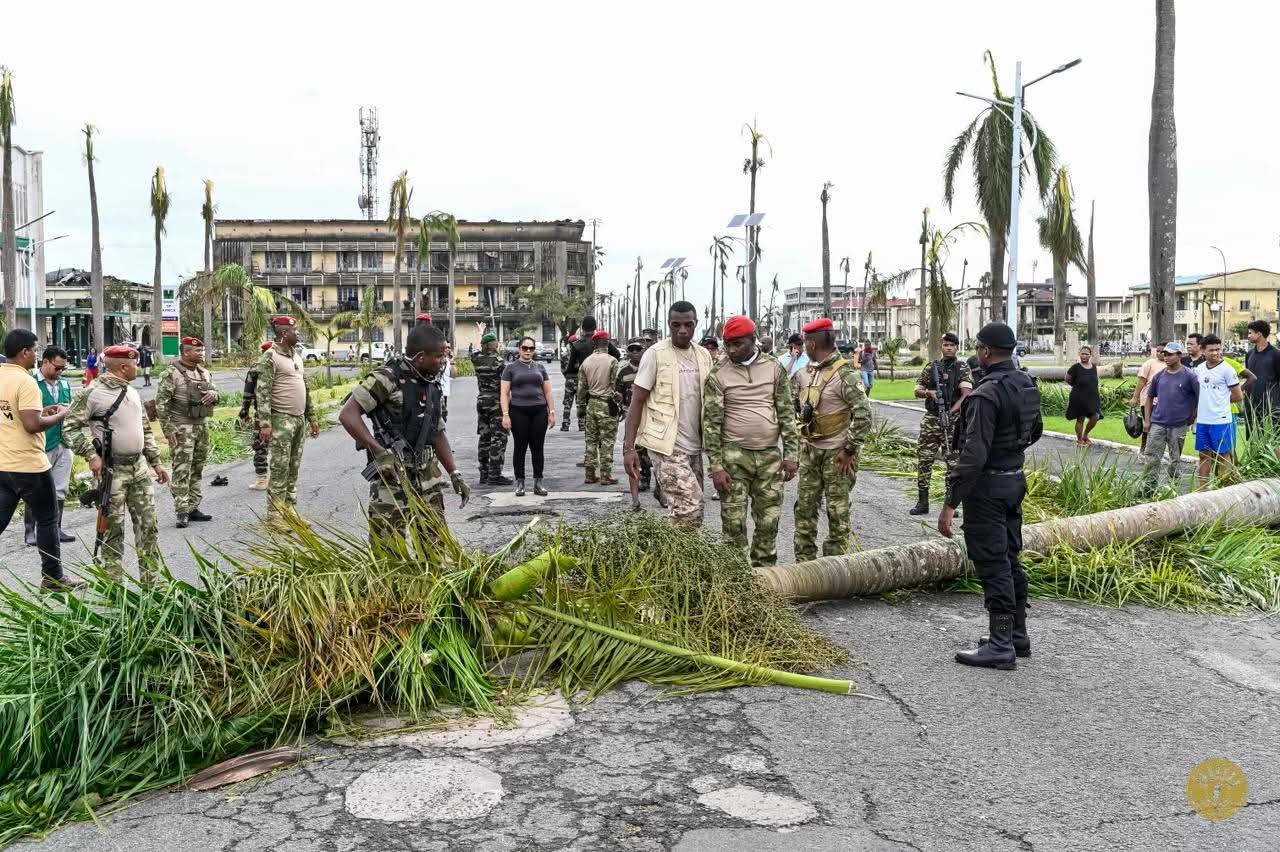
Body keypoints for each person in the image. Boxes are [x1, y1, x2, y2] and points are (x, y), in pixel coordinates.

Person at [940, 322, 1043, 670]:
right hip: (1014, 480)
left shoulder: (986, 394)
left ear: (984, 352)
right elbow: (1035, 430)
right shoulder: (1025, 383)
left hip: (987, 488)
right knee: (1010, 556)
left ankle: (1000, 644)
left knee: (992, 561)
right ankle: (1017, 634)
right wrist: (1010, 450)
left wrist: (950, 503)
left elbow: (972, 458)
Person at [339, 323, 469, 538]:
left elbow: (437, 433)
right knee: (389, 549)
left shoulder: (431, 382)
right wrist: (378, 451)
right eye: (438, 356)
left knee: (435, 544)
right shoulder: (387, 378)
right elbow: (348, 414)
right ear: (420, 357)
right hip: (392, 475)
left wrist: (455, 474)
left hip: (428, 475)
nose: (443, 361)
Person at [63, 343, 169, 581]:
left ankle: (152, 583)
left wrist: (156, 462)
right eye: (135, 364)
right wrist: (91, 455)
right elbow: (69, 428)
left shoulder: (131, 391)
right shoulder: (91, 393)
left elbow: (145, 429)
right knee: (113, 531)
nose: (138, 367)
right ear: (123, 366)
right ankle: (114, 587)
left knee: (148, 527)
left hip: (139, 469)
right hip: (113, 472)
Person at [703, 315, 799, 566]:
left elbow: (787, 413)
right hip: (734, 458)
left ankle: (765, 577)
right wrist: (716, 466)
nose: (732, 350)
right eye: (728, 344)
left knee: (769, 522)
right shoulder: (718, 374)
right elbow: (711, 423)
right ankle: (736, 582)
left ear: (754, 340)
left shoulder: (774, 368)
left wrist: (791, 455)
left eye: (738, 344)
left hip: (769, 457)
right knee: (733, 526)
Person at [623, 301, 714, 527]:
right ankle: (679, 560)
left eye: (688, 325)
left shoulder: (703, 355)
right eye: (676, 325)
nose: (682, 330)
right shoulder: (655, 354)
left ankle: (677, 559)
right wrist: (629, 448)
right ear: (668, 325)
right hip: (666, 446)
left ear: (696, 325)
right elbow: (636, 401)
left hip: (695, 445)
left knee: (691, 511)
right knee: (689, 507)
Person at [0, 330, 77, 590]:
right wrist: (60, 415)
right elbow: (32, 425)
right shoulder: (26, 381)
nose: (36, 354)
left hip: (3, 463)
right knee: (47, 519)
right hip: (29, 465)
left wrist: (44, 411)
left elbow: (14, 415)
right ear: (24, 352)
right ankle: (53, 577)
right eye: (35, 349)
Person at [792, 317, 872, 560]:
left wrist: (849, 450)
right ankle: (804, 566)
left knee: (837, 512)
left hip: (837, 454)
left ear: (811, 343)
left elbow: (863, 415)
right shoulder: (805, 372)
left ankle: (833, 567)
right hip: (810, 451)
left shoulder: (845, 374)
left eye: (806, 342)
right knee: (804, 510)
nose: (805, 346)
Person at [255, 316, 320, 528]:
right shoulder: (269, 357)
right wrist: (265, 424)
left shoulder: (297, 356)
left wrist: (312, 417)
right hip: (280, 419)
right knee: (280, 469)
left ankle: (289, 510)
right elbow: (262, 392)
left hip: (298, 419)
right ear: (284, 333)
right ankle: (275, 516)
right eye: (295, 331)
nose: (298, 334)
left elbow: (305, 388)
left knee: (293, 468)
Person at [155, 336, 218, 528]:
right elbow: (161, 404)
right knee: (182, 470)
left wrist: (214, 394)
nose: (201, 353)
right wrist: (168, 430)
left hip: (201, 427)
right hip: (182, 428)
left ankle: (193, 507)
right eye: (197, 351)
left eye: (202, 350)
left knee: (197, 468)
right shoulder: (171, 374)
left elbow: (216, 393)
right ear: (185, 352)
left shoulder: (204, 373)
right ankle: (181, 511)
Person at [910, 332, 972, 516]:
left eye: (952, 345)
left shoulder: (962, 368)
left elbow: (966, 394)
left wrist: (952, 411)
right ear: (941, 347)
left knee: (952, 463)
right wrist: (929, 393)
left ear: (956, 347)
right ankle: (923, 502)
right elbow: (917, 389)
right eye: (946, 345)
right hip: (931, 419)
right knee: (924, 460)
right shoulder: (932, 367)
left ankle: (950, 505)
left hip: (952, 421)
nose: (949, 348)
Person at [23, 346, 77, 546]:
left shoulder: (64, 384)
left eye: (63, 368)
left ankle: (56, 528)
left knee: (60, 488)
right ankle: (30, 530)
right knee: (35, 488)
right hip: (41, 444)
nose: (60, 372)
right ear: (45, 362)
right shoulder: (31, 383)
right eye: (57, 367)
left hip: (63, 442)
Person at [501, 336, 555, 496]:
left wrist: (551, 412)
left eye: (531, 348)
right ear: (519, 349)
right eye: (525, 348)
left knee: (538, 448)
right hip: (518, 411)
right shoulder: (510, 368)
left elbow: (548, 391)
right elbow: (504, 393)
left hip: (539, 411)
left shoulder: (540, 367)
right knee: (520, 448)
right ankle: (520, 483)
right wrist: (505, 415)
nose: (528, 351)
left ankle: (538, 483)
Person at [1141, 340, 1198, 490]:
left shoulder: (1189, 376)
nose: (1165, 357)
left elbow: (1199, 398)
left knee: (1175, 460)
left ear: (1179, 355)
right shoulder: (1159, 376)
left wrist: (1192, 416)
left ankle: (1173, 488)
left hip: (1178, 425)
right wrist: (1147, 420)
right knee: (1152, 456)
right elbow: (1149, 398)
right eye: (1164, 354)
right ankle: (1149, 487)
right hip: (1158, 423)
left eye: (1169, 354)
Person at [1193, 334, 1242, 488]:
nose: (1215, 353)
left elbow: (1237, 395)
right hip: (1202, 421)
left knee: (1223, 455)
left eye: (1218, 349)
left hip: (1221, 420)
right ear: (1202, 351)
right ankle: (1202, 489)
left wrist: (1219, 402)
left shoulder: (1227, 370)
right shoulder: (1199, 369)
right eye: (1211, 350)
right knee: (1203, 455)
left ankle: (1223, 490)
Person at [580, 329, 621, 485]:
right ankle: (605, 475)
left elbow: (581, 388)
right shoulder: (612, 361)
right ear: (607, 342)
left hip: (591, 405)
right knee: (607, 441)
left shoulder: (586, 362)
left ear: (595, 343)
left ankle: (589, 474)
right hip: (607, 404)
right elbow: (615, 385)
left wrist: (581, 407)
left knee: (591, 441)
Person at [472, 332, 512, 485]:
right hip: (496, 401)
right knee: (498, 438)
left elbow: (475, 349)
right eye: (496, 341)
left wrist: (480, 334)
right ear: (493, 344)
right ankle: (495, 474)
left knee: (484, 437)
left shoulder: (476, 359)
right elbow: (506, 386)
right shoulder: (499, 362)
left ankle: (484, 473)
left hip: (482, 400)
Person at [616, 339, 653, 492]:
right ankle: (642, 478)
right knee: (634, 448)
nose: (635, 352)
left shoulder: (651, 369)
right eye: (632, 349)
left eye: (639, 349)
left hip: (650, 415)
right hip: (631, 415)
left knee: (652, 448)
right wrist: (622, 409)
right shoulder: (623, 372)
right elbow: (617, 393)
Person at [238, 341, 274, 491]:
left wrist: (244, 412)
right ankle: (277, 478)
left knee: (260, 446)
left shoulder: (257, 367)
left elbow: (248, 393)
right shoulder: (286, 365)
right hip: (285, 413)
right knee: (281, 447)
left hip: (262, 414)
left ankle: (262, 479)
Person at [1130, 338, 1170, 451]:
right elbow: (1141, 381)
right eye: (1157, 351)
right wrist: (1135, 397)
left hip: (1164, 403)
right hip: (1148, 400)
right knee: (1148, 426)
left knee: (1161, 428)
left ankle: (1155, 451)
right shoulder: (1149, 363)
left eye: (1162, 352)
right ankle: (1143, 450)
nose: (1159, 353)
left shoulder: (1171, 364)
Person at [1243, 320, 1280, 433]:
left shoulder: (1276, 354)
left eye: (1250, 333)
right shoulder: (1249, 354)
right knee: (1251, 439)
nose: (1248, 336)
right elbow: (1248, 378)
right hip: (1251, 404)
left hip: (1270, 406)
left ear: (1259, 334)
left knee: (1270, 441)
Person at [1065, 345, 1102, 446]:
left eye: (1086, 354)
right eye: (1082, 354)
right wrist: (1075, 385)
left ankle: (1085, 435)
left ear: (1090, 355)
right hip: (1079, 397)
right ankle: (1079, 440)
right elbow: (1067, 379)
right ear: (1079, 354)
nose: (1084, 356)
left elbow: (1094, 381)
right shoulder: (1075, 367)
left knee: (1095, 416)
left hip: (1092, 397)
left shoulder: (1094, 367)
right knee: (1080, 419)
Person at [439, 342, 457, 423]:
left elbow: (453, 375)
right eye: (445, 347)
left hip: (444, 393)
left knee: (443, 419)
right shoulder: (434, 360)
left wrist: (452, 362)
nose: (447, 349)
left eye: (448, 347)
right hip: (435, 392)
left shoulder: (447, 361)